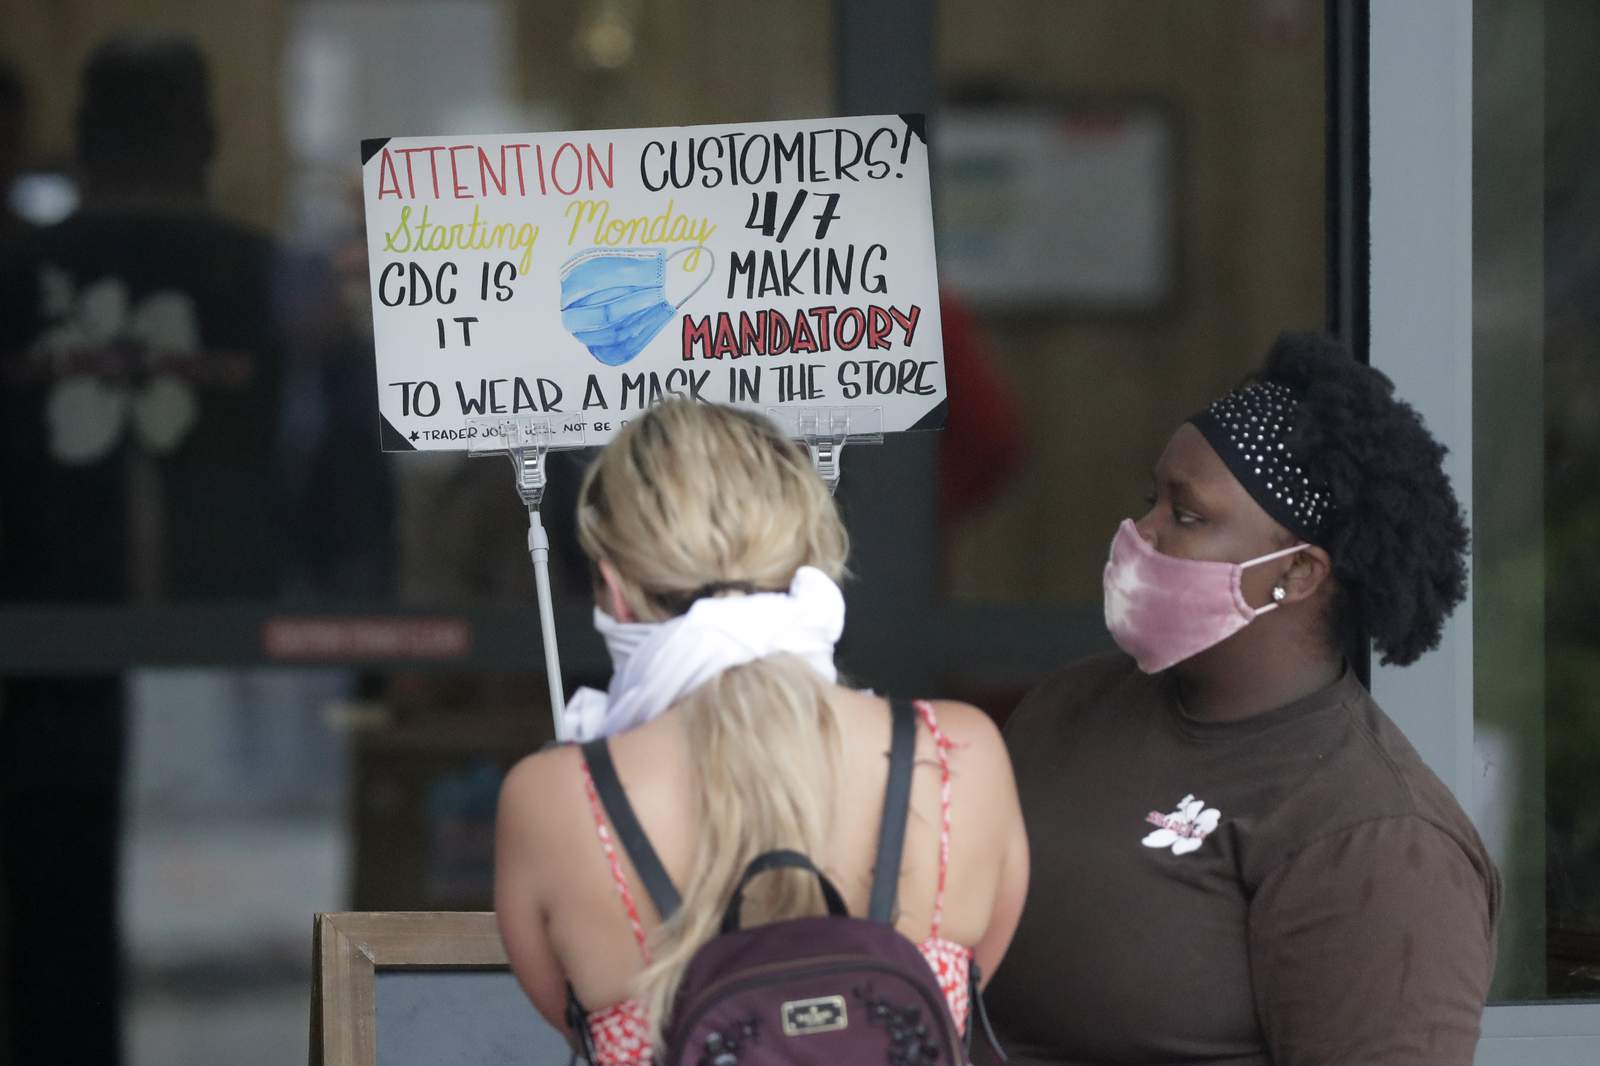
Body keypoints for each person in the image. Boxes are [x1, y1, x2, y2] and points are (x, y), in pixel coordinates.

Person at [979, 333, 1500, 1065]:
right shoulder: (1067, 708)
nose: (1141, 533)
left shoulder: (1375, 834)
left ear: (1297, 573)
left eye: (1187, 515)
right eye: (1152, 500)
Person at [495, 400, 1030, 1063]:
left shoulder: (555, 800)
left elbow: (571, 1016)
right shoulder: (959, 755)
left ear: (616, 590)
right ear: (813, 561)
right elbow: (962, 1001)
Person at [0, 32, 292, 1063]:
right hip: (239, 636)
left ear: (81, 138)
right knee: (261, 924)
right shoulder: (260, 274)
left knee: (53, 921)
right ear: (206, 138)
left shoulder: (18, 273)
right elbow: (308, 466)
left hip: (43, 643)